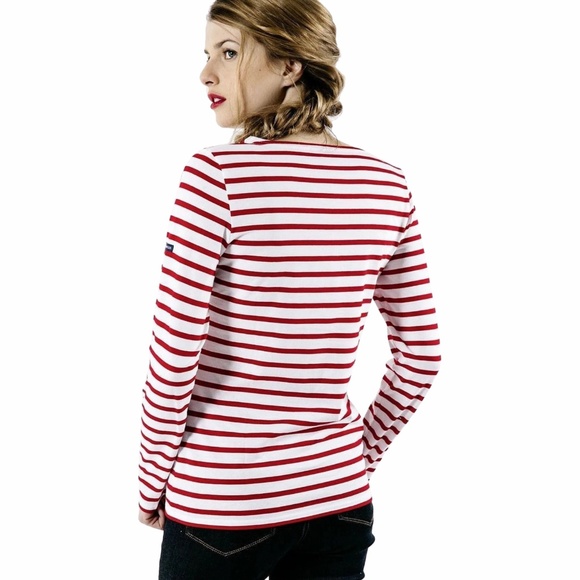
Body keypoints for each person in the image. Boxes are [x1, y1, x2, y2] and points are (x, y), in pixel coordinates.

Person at [137, 0, 441, 578]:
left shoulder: (215, 178)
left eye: (229, 53)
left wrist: (154, 483)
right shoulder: (387, 183)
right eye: (208, 54)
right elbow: (422, 356)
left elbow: (175, 351)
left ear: (289, 65)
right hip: (340, 503)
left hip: (224, 501)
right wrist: (352, 458)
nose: (206, 73)